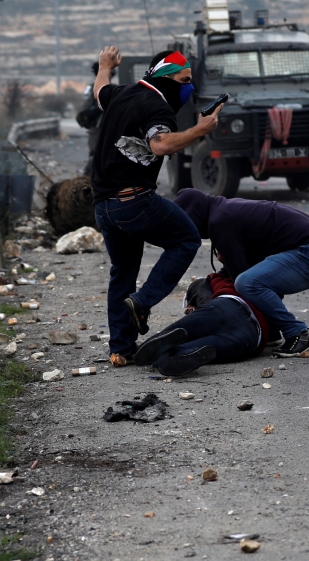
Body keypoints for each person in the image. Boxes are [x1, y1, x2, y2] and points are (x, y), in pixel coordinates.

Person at [90, 46, 222, 365]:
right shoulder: (157, 106)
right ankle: (143, 302)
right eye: (184, 80)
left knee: (122, 272)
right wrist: (200, 130)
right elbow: (160, 144)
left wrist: (105, 66)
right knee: (186, 239)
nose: (189, 87)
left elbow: (100, 92)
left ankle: (121, 348)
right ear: (165, 78)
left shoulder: (122, 93)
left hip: (104, 207)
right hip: (133, 201)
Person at [173, 190, 309, 358]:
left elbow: (239, 273)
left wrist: (213, 305)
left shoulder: (219, 221)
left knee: (247, 283)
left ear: (193, 215)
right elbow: (247, 263)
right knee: (254, 277)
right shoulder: (223, 210)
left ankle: (297, 333)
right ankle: (272, 330)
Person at [134, 272, 270, 377]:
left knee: (162, 343)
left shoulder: (209, 282)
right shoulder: (247, 284)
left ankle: (177, 352)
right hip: (249, 335)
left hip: (225, 307)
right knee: (169, 352)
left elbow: (202, 287)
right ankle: (184, 353)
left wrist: (196, 307)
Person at [77, 61, 115, 176]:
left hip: (111, 129)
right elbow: (83, 114)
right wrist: (97, 109)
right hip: (97, 129)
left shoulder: (113, 89)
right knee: (95, 157)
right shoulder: (93, 89)